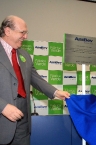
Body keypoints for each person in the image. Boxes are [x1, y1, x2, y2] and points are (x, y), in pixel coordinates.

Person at [0, 15, 70, 145]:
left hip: (23, 118)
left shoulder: (24, 55)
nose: (25, 36)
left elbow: (35, 78)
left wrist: (55, 92)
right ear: (8, 31)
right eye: (22, 32)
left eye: (26, 33)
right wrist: (2, 107)